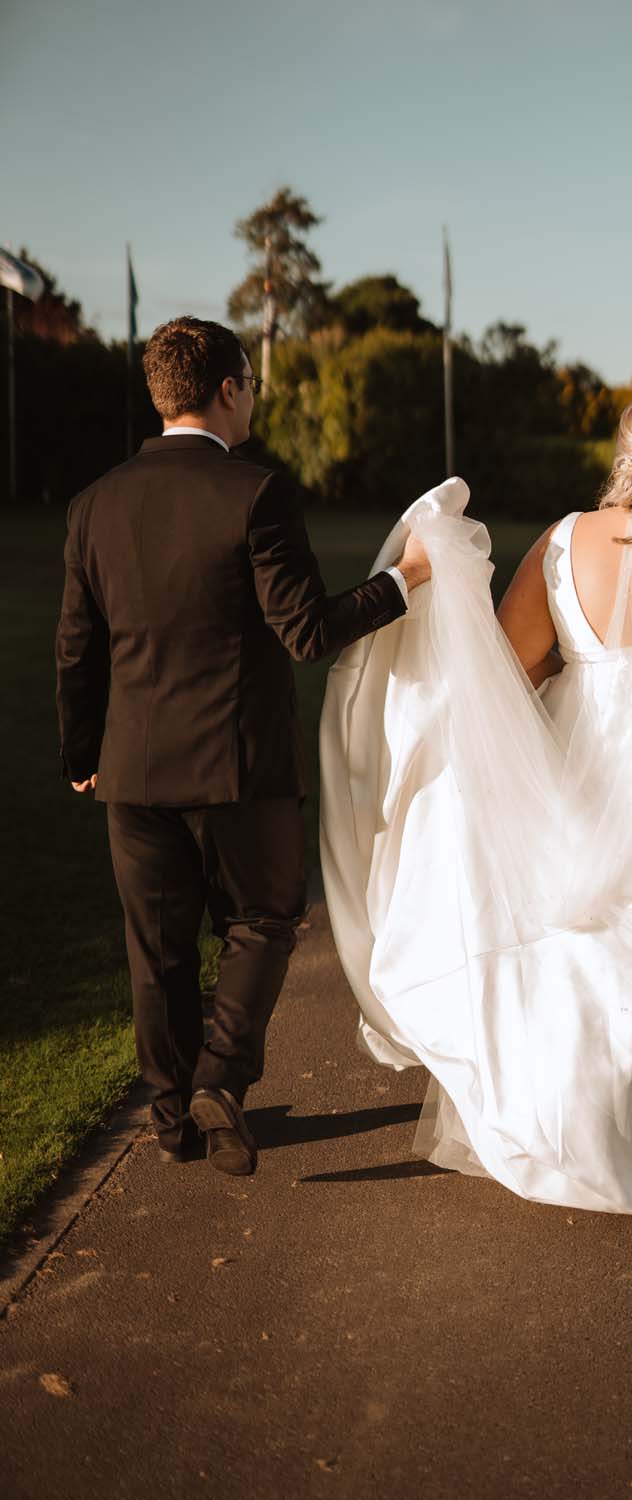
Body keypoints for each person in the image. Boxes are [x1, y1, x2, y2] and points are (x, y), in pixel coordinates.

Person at [321, 395, 632, 1222]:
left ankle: (603, 1129)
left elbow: (513, 663)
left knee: (594, 938)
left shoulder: (562, 540)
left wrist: (572, 672)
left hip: (594, 746)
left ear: (620, 451)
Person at [55, 316, 430, 1176]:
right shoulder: (257, 492)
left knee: (158, 951)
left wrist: (81, 751)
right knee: (261, 922)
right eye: (251, 383)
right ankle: (220, 1081)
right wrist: (402, 584)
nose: (254, 396)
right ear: (227, 390)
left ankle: (171, 1117)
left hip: (133, 769)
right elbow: (305, 631)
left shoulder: (92, 505)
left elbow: (76, 647)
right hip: (240, 766)